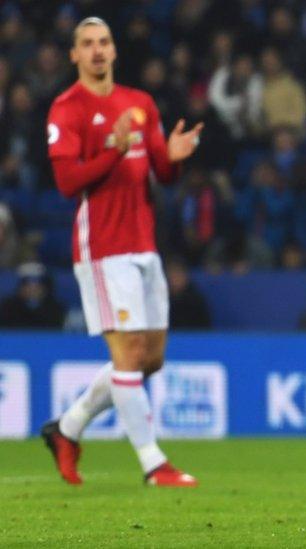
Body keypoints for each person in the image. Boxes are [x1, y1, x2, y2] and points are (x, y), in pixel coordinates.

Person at [40, 17, 202, 487]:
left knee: (149, 359)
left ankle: (66, 429)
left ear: (114, 51)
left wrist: (171, 160)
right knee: (129, 354)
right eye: (86, 44)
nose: (96, 51)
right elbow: (68, 183)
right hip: (103, 248)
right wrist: (112, 149)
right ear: (74, 55)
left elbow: (160, 174)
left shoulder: (140, 103)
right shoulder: (66, 109)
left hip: (144, 245)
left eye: (104, 42)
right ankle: (155, 464)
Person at [0, 262, 66, 328]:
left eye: (37, 286)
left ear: (45, 288)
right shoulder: (8, 307)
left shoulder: (56, 308)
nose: (32, 290)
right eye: (27, 285)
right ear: (20, 288)